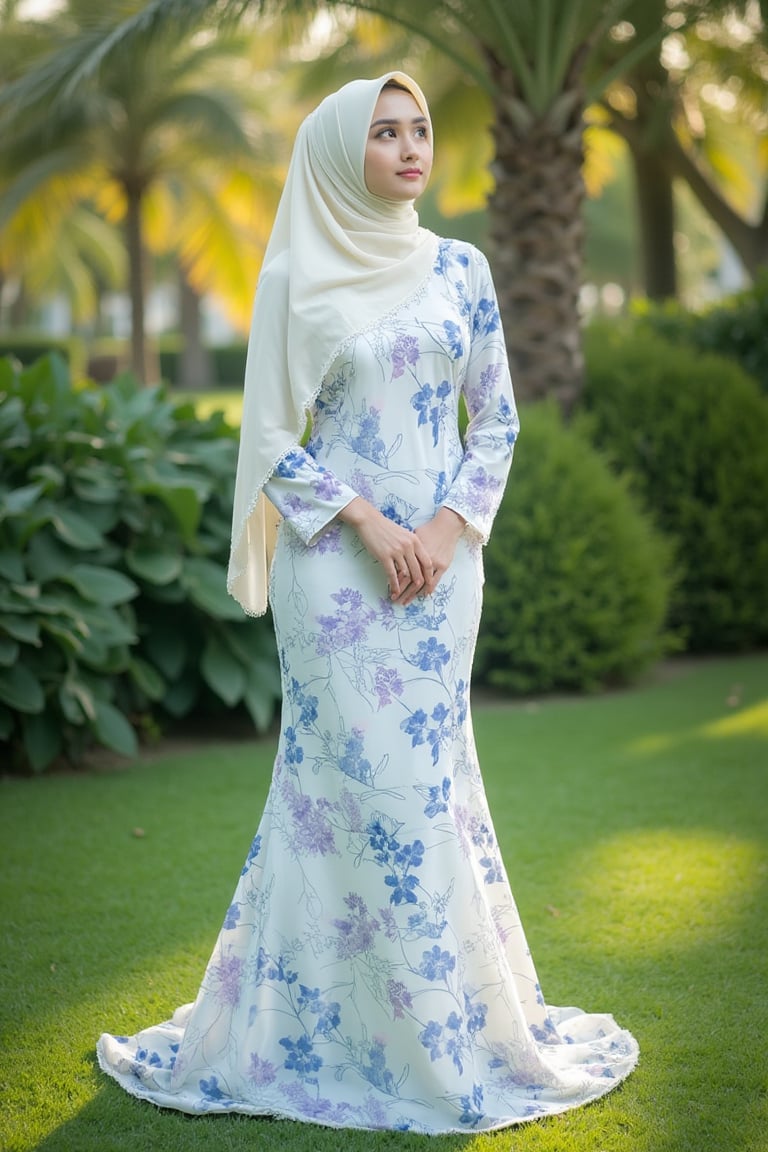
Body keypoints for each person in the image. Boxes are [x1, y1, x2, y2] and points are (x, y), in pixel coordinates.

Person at [97, 72, 639, 1134]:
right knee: (340, 791)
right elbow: (268, 443)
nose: (407, 147)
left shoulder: (463, 269)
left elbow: (498, 423)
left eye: (419, 129)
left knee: (427, 790)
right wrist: (369, 521)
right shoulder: (298, 275)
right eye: (383, 131)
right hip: (335, 577)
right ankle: (315, 1037)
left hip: (446, 576)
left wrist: (442, 529)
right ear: (344, 149)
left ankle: (448, 1033)